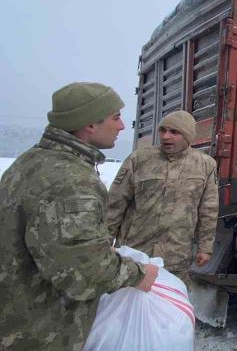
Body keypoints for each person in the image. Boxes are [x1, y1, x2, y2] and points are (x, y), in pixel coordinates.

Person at [0, 82, 159, 351]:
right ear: (89, 124)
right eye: (115, 117)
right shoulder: (70, 180)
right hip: (39, 332)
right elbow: (84, 272)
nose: (122, 126)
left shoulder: (32, 161)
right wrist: (138, 274)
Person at [106, 110, 219, 285]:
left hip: (176, 258)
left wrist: (205, 247)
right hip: (134, 255)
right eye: (163, 130)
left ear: (188, 136)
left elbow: (208, 209)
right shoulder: (139, 159)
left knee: (170, 307)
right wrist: (104, 243)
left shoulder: (205, 165)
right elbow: (114, 204)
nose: (166, 137)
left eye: (174, 132)